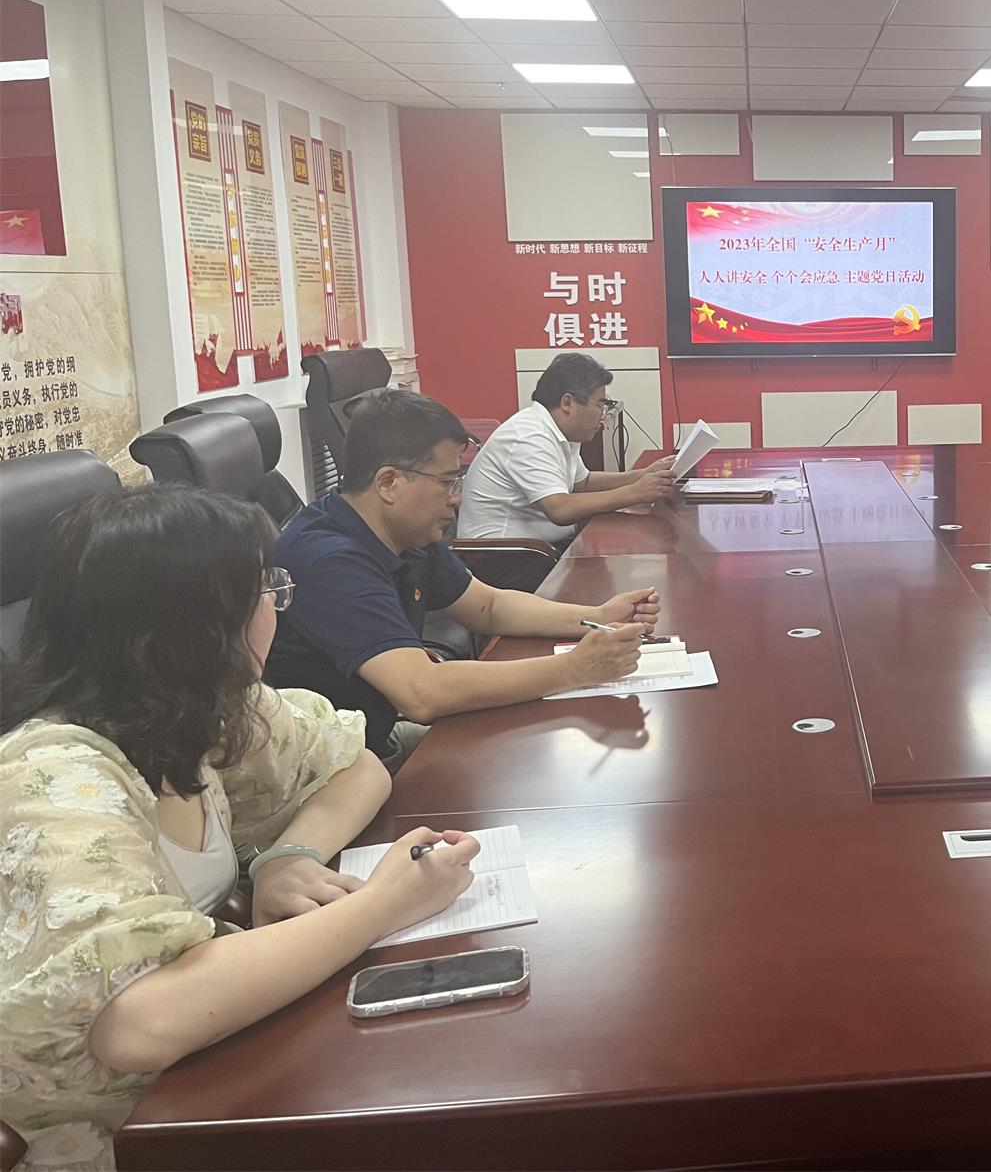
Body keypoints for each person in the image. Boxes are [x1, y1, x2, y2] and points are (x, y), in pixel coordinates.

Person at [0, 485, 480, 1170]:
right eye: (263, 590)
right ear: (193, 622)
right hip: (106, 1132)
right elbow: (137, 1024)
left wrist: (289, 856)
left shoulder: (203, 708)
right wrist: (384, 904)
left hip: (211, 1075)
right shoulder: (54, 774)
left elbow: (356, 764)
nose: (275, 607)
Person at [263, 390, 657, 771]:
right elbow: (422, 692)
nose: (458, 498)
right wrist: (575, 668)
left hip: (371, 740)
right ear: (388, 483)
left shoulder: (404, 533)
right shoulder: (330, 562)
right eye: (447, 481)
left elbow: (489, 606)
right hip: (329, 772)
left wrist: (598, 616)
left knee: (527, 750)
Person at [458, 352, 675, 546]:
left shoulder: (559, 431)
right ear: (567, 403)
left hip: (539, 549)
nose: (603, 415)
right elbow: (560, 509)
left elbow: (583, 483)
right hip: (504, 557)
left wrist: (642, 475)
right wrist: (635, 492)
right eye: (600, 405)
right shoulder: (528, 436)